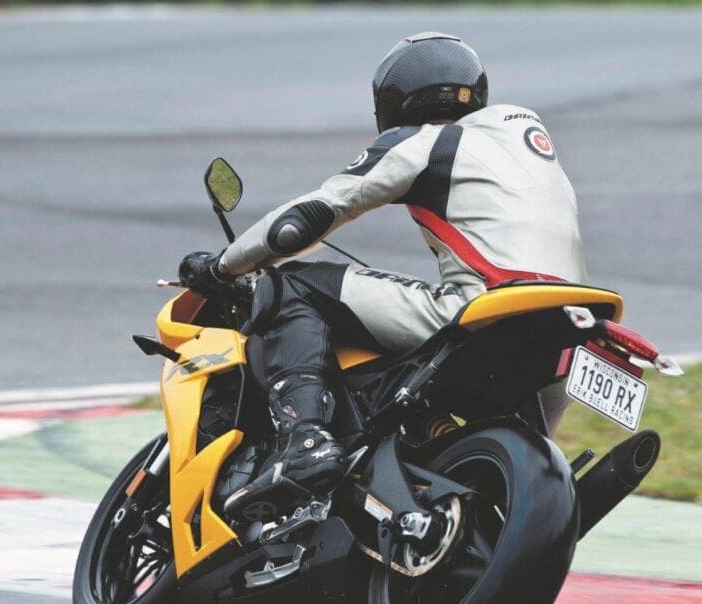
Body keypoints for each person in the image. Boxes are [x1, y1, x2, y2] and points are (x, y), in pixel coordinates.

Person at [179, 31, 588, 517]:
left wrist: (222, 266)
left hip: (487, 310)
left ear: (396, 101)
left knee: (295, 283)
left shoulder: (424, 141)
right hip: (572, 324)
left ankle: (305, 440)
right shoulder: (525, 141)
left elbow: (308, 217)